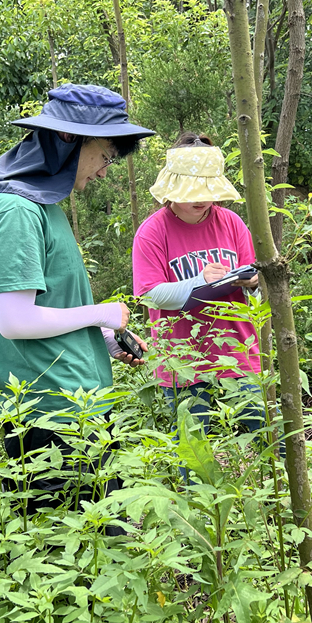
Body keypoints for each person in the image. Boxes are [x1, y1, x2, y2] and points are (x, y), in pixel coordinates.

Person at [0, 83, 153, 509]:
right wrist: (100, 313)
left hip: (80, 404)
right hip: (52, 414)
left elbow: (49, 308)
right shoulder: (16, 210)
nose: (105, 170)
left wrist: (101, 339)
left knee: (108, 539)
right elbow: (13, 320)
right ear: (68, 139)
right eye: (105, 155)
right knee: (70, 552)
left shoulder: (42, 205)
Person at [131, 133, 264, 433]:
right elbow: (149, 295)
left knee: (271, 444)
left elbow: (257, 300)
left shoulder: (231, 223)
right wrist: (198, 281)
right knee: (193, 459)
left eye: (208, 188)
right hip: (183, 364)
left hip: (239, 356)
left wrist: (253, 284)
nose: (201, 199)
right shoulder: (152, 232)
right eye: (192, 189)